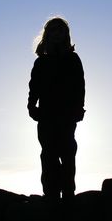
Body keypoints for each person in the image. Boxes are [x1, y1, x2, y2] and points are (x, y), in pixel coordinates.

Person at [27, 17, 85, 203]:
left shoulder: (73, 59)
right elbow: (34, 87)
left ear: (66, 35)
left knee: (67, 153)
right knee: (48, 154)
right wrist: (31, 106)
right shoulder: (41, 63)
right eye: (53, 30)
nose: (57, 33)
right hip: (46, 115)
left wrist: (79, 108)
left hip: (67, 115)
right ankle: (51, 195)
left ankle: (68, 195)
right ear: (47, 35)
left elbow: (80, 86)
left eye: (60, 30)